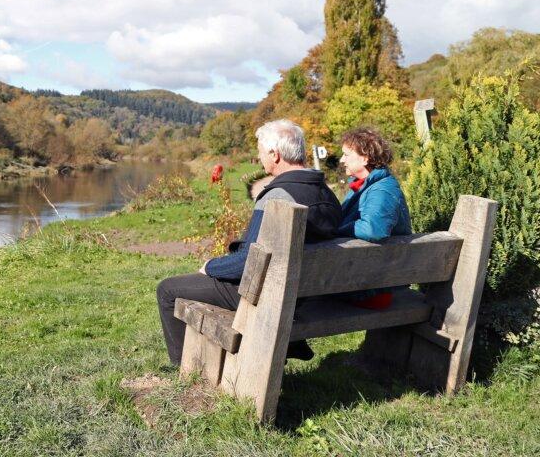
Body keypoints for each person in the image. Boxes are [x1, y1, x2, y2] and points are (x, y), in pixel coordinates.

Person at [156, 119, 342, 367]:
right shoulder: (328, 195)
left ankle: (183, 370)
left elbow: (246, 263)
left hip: (271, 297)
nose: (259, 157)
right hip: (309, 295)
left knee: (168, 289)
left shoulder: (278, 197)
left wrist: (210, 266)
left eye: (261, 152)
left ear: (275, 155)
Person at [336, 127, 411, 309]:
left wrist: (336, 229)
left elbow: (373, 230)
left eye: (346, 155)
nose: (341, 160)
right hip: (367, 280)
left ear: (365, 158)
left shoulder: (383, 189)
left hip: (373, 290)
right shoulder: (364, 186)